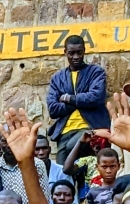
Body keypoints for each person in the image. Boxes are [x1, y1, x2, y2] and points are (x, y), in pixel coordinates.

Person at [47, 35, 110, 164]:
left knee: (72, 148)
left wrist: (69, 98)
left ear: (84, 51)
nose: (76, 57)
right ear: (65, 53)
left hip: (89, 128)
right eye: (71, 53)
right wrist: (78, 102)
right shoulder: (58, 78)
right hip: (64, 132)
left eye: (79, 53)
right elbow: (53, 109)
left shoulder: (95, 72)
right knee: (62, 173)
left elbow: (96, 97)